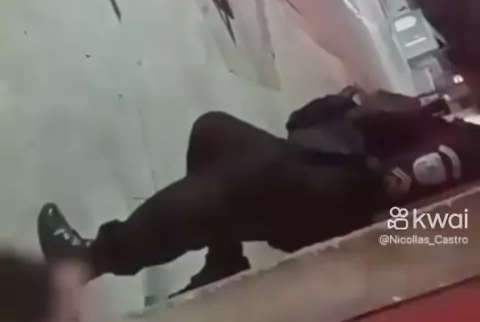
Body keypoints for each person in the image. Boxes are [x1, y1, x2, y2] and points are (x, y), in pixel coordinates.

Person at [38, 91, 480, 296]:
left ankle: (91, 259)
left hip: (332, 198)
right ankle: (223, 261)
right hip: (321, 165)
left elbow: (393, 196)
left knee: (251, 180)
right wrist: (355, 108)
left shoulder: (464, 151)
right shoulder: (457, 130)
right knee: (213, 133)